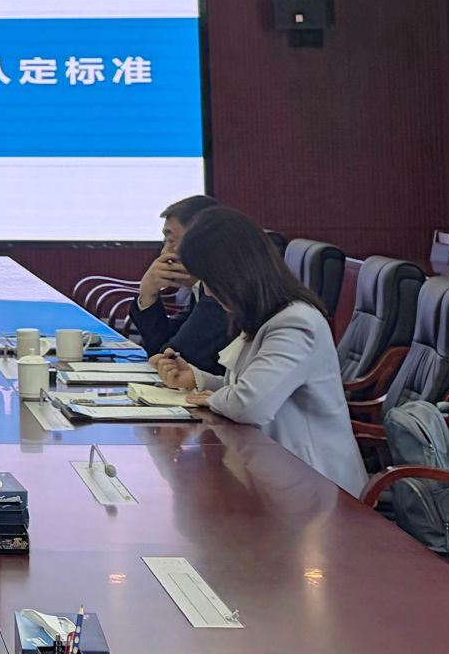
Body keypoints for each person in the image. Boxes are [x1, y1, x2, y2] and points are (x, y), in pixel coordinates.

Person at [151, 207, 368, 496]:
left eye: (210, 282)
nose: (210, 293)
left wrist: (213, 397)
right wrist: (198, 379)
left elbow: (250, 403)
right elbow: (248, 386)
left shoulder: (295, 322)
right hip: (273, 473)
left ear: (234, 272)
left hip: (317, 486)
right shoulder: (261, 315)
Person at [130, 194, 231, 375]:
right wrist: (148, 294)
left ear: (203, 243)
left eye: (171, 241)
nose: (164, 252)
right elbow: (161, 346)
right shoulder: (200, 288)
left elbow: (170, 359)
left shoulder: (222, 294)